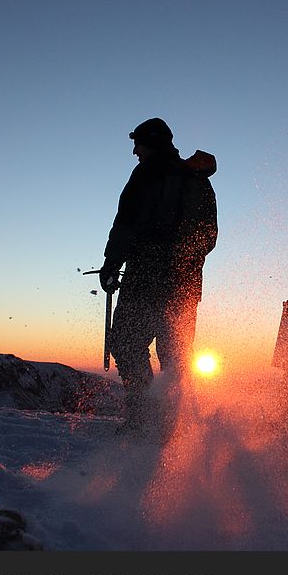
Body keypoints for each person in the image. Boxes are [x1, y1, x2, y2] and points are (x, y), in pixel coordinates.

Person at [99, 118, 217, 432]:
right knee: (176, 355)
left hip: (146, 279)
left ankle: (143, 418)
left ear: (152, 143)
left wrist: (112, 265)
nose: (135, 151)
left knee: (126, 343)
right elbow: (209, 236)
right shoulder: (198, 179)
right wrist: (184, 264)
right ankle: (170, 427)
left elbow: (125, 224)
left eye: (138, 144)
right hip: (186, 285)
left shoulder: (146, 174)